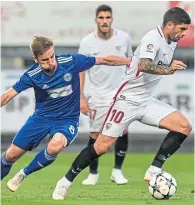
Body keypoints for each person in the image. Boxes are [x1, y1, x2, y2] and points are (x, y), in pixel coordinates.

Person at [52, 7, 192, 200]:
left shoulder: (170, 40)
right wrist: (168, 69)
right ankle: (65, 181)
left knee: (184, 126)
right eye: (182, 29)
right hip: (127, 100)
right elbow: (143, 65)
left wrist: (166, 67)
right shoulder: (153, 38)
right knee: (101, 146)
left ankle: (153, 171)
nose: (184, 34)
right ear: (170, 25)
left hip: (146, 101)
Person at [0, 36, 131, 193]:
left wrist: (131, 60)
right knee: (11, 155)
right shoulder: (32, 75)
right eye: (45, 60)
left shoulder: (71, 62)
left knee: (55, 146)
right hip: (41, 118)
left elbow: (105, 60)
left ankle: (23, 173)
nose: (51, 62)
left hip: (67, 120)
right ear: (36, 59)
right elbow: (8, 95)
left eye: (52, 57)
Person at [79, 4, 133, 185]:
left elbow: (131, 65)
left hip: (120, 94)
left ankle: (117, 171)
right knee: (95, 136)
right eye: (101, 18)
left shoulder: (124, 38)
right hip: (97, 95)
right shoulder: (87, 42)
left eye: (107, 18)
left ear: (112, 19)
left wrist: (131, 90)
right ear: (96, 20)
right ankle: (93, 174)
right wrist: (81, 97)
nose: (104, 21)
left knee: (123, 132)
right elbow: (80, 70)